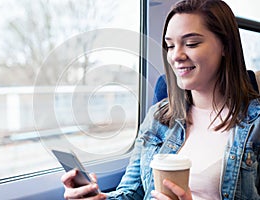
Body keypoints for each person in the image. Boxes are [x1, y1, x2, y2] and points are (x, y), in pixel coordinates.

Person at [61, 0, 260, 199]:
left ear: (225, 46)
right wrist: (96, 197)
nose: (176, 56)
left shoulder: (255, 124)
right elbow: (131, 193)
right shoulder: (158, 117)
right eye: (170, 46)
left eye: (191, 44)